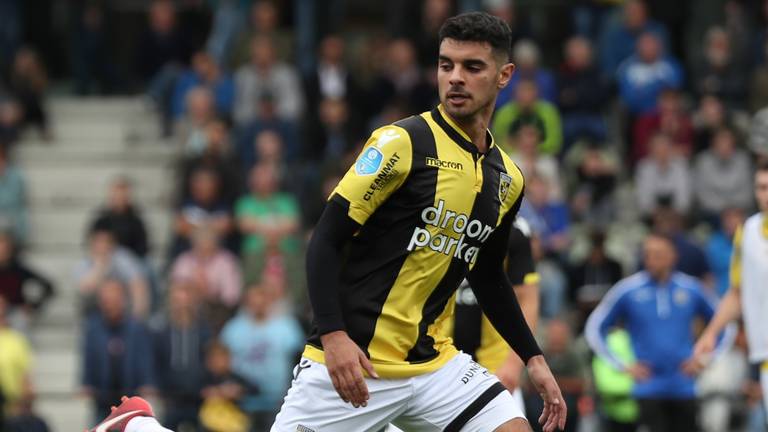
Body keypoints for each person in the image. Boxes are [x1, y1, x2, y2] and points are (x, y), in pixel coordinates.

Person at [272, 12, 565, 432]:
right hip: (355, 362)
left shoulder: (508, 179)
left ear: (505, 76)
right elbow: (325, 239)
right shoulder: (402, 143)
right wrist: (333, 336)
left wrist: (533, 359)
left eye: (472, 67)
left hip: (432, 365)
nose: (455, 78)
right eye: (446, 65)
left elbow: (487, 276)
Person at [585, 233, 733, 432]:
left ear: (673, 256)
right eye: (647, 254)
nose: (650, 259)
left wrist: (706, 360)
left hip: (684, 387)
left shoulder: (691, 289)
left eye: (657, 254)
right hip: (648, 388)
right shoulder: (628, 290)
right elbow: (594, 328)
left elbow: (726, 324)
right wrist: (623, 365)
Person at [693, 161, 768, 424]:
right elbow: (738, 292)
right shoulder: (747, 233)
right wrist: (712, 332)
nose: (765, 195)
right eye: (761, 187)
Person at [452, 217, 540, 410]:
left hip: (495, 369)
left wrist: (513, 365)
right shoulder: (436, 214)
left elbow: (528, 298)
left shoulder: (513, 227)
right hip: (436, 365)